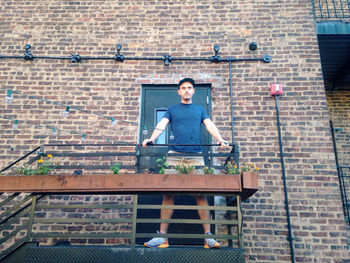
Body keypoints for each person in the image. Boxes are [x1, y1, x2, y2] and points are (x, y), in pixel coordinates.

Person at [142, 77, 229, 249]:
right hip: (174, 156)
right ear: (179, 91)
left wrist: (220, 140)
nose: (187, 90)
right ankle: (162, 238)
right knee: (168, 195)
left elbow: (209, 125)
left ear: (193, 91)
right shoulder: (172, 110)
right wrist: (151, 139)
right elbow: (162, 125)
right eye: (183, 88)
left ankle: (208, 238)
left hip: (196, 157)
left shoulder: (200, 110)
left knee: (200, 195)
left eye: (190, 87)